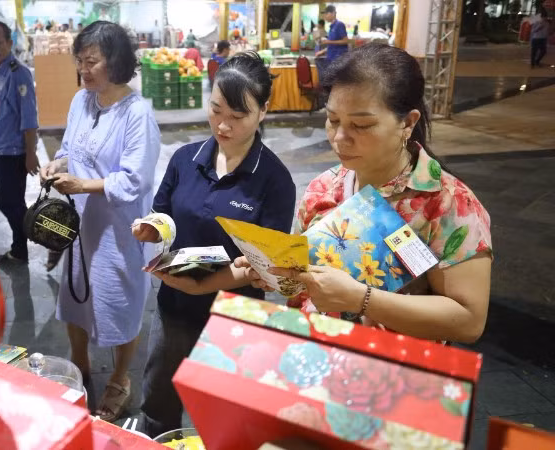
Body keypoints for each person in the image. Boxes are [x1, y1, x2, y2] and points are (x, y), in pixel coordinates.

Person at [161, 44, 493, 345]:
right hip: (314, 357)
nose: (340, 138)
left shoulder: (447, 203)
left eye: (361, 125)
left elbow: (468, 321)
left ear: (407, 122)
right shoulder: (325, 188)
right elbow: (305, 283)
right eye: (333, 120)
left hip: (391, 380)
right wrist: (274, 272)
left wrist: (361, 299)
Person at [134, 52, 296, 438]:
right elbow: (164, 215)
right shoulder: (185, 159)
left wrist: (212, 282)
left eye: (238, 116)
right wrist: (152, 230)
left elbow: (268, 263)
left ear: (263, 112)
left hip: (235, 315)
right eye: (216, 110)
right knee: (158, 397)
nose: (223, 125)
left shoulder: (275, 181)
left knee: (228, 412)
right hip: (174, 305)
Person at [39, 21, 160, 422]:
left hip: (117, 229)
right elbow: (71, 148)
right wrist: (56, 165)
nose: (84, 69)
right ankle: (80, 367)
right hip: (78, 224)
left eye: (91, 61)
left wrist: (84, 184)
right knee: (75, 297)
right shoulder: (81, 101)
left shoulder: (137, 113)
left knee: (118, 301)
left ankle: (121, 378)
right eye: (80, 61)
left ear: (117, 62)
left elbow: (133, 180)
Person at [0, 21, 39, 264]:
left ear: (9, 42)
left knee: (9, 204)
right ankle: (19, 249)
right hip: (5, 149)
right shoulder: (1, 70)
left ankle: (35, 236)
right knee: (11, 203)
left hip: (15, 151)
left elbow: (29, 117)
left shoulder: (18, 73)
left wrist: (30, 153)